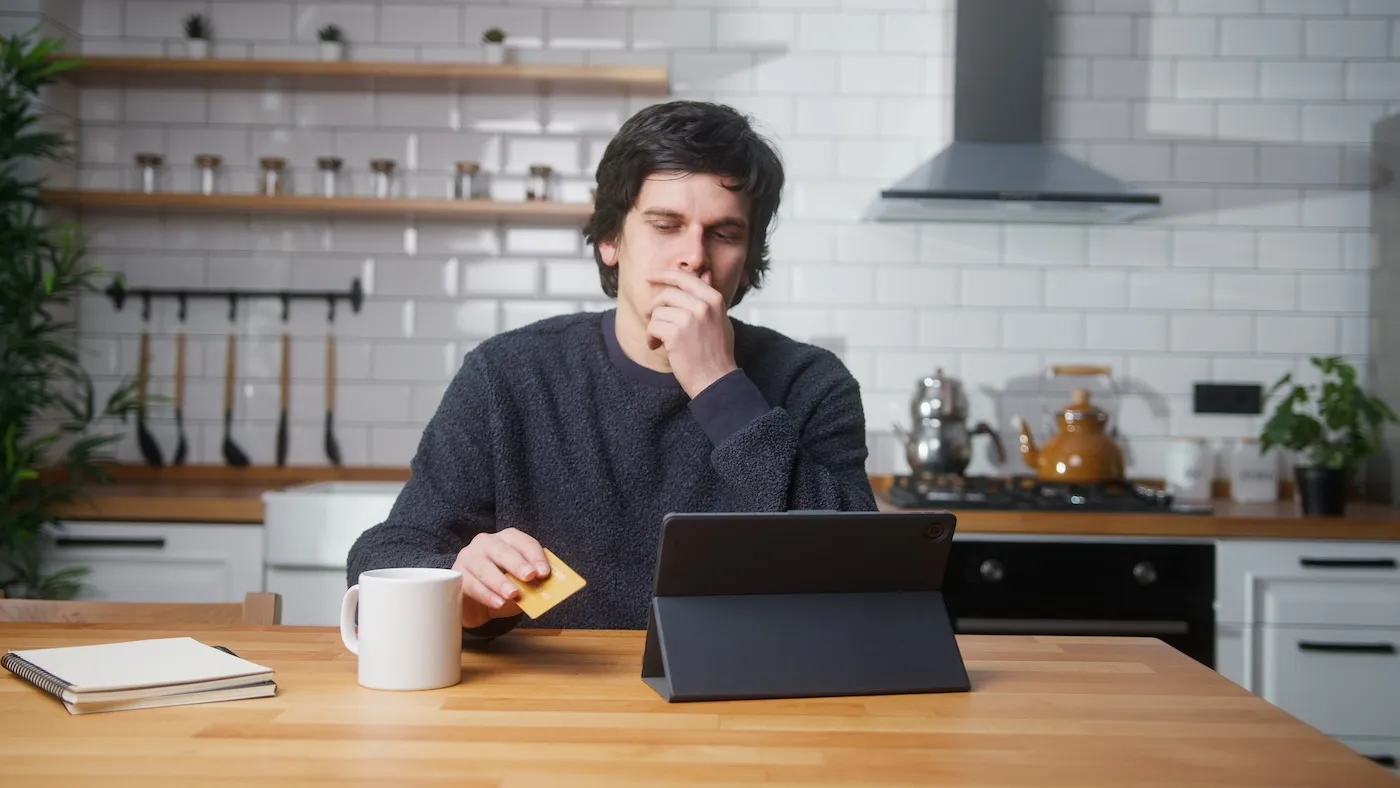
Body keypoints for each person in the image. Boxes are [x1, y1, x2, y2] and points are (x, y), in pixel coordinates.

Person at [346, 99, 877, 638]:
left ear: (746, 260)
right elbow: (388, 552)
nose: (694, 257)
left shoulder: (813, 383)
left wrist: (721, 388)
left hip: (749, 698)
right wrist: (456, 586)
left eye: (724, 233)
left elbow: (863, 578)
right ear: (610, 239)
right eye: (666, 225)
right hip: (552, 702)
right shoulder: (506, 375)